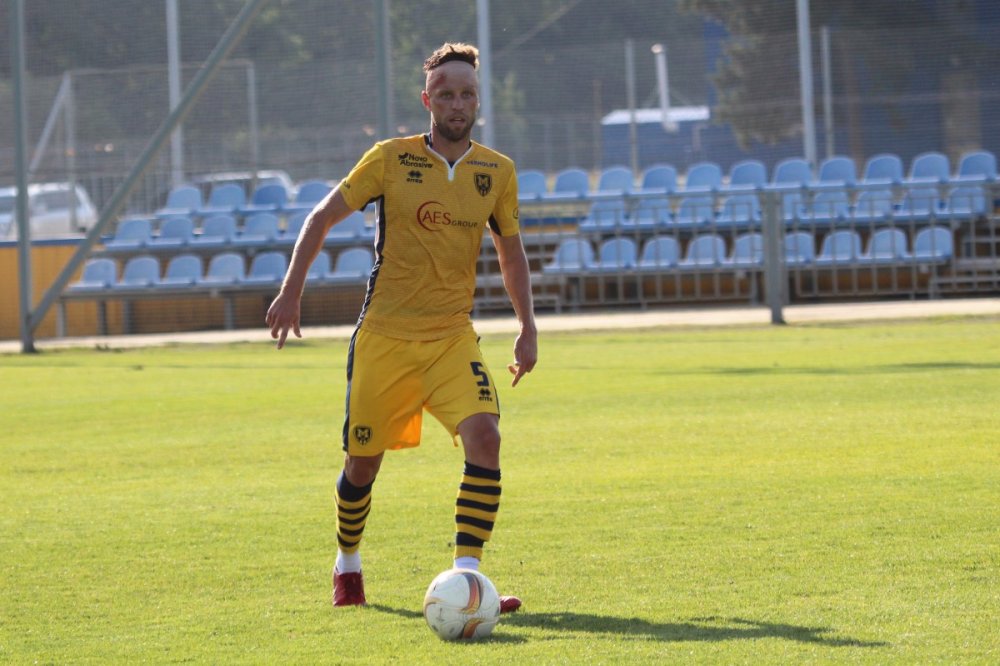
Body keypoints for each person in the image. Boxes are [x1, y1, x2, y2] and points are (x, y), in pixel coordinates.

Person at [265, 42, 537, 613]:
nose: (457, 103)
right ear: (427, 100)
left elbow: (511, 254)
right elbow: (321, 217)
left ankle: (468, 581)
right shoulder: (389, 159)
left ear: (478, 100)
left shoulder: (497, 171)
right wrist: (291, 291)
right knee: (362, 465)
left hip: (451, 338)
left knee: (486, 438)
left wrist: (526, 326)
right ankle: (348, 562)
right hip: (384, 339)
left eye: (466, 93)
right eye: (445, 93)